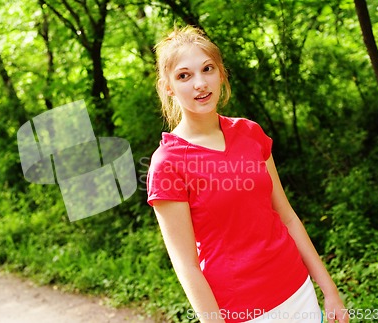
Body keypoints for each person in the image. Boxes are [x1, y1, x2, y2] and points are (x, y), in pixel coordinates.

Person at [146, 26, 349, 323]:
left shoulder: (250, 133)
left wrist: (330, 291)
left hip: (298, 292)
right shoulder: (168, 163)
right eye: (184, 76)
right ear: (167, 87)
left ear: (221, 73)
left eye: (207, 69)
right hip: (241, 310)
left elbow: (287, 217)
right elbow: (185, 264)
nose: (200, 84)